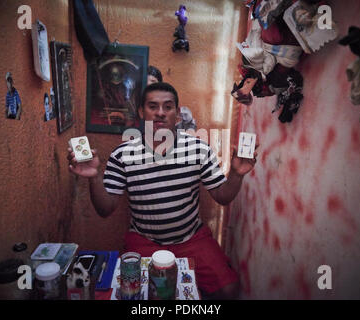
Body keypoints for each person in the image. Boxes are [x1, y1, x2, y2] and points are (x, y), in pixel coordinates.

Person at [67, 82, 258, 299]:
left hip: (192, 239)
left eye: (168, 107)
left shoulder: (199, 150)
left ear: (177, 113)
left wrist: (237, 174)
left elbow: (223, 196)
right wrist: (93, 177)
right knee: (136, 294)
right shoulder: (123, 154)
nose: (160, 113)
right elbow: (105, 209)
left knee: (229, 289)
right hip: (144, 240)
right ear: (141, 112)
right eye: (153, 106)